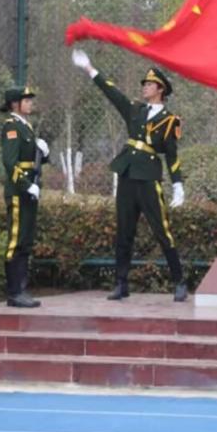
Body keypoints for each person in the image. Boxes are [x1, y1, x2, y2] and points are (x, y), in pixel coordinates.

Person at [71, 48, 188, 302]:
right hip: (127, 174)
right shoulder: (135, 109)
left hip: (148, 178)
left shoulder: (170, 120)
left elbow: (171, 155)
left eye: (149, 84)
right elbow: (112, 93)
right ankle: (121, 283)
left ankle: (179, 281)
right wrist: (90, 69)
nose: (144, 87)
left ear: (160, 90)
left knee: (162, 230)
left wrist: (178, 185)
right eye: (144, 84)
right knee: (124, 231)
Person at [1, 85, 49, 308]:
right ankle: (14, 292)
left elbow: (30, 159)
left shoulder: (25, 127)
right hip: (19, 192)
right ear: (15, 104)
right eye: (26, 100)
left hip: (30, 190)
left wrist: (44, 154)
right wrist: (26, 185)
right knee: (16, 241)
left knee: (26, 241)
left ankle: (22, 289)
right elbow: (10, 162)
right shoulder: (11, 127)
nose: (30, 103)